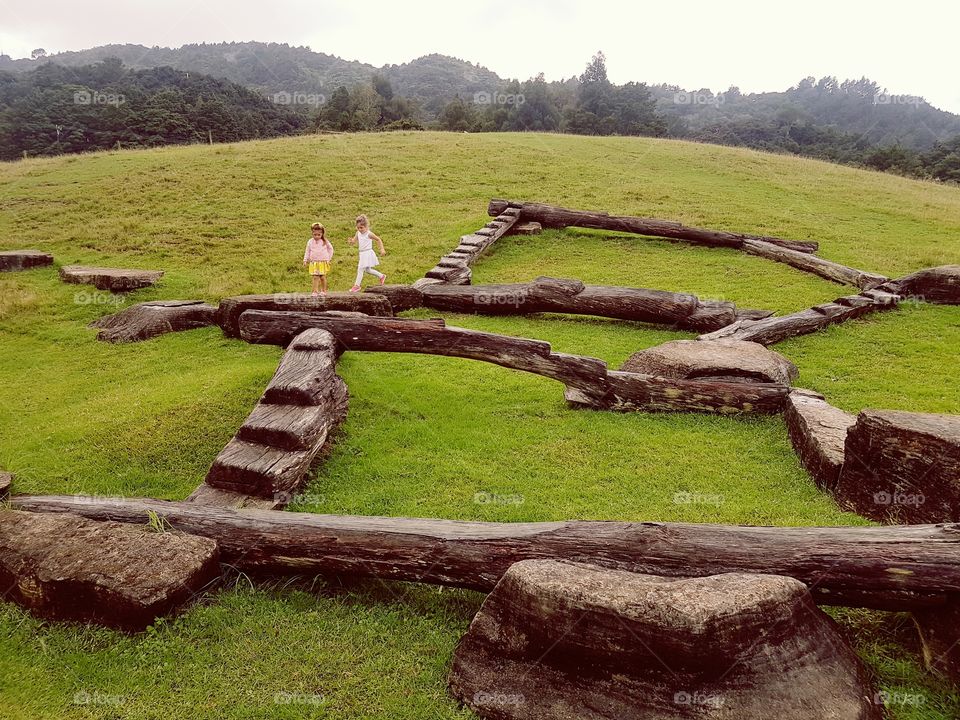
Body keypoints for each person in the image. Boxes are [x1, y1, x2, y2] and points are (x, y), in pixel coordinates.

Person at [348, 214, 386, 292]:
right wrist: (351, 241)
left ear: (366, 226)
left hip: (368, 253)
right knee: (367, 270)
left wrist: (382, 249)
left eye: (361, 228)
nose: (360, 229)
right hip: (362, 253)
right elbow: (354, 241)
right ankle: (381, 276)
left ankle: (357, 285)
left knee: (360, 269)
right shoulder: (358, 233)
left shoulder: (369, 234)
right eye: (358, 228)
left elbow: (378, 239)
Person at [303, 222, 334, 297]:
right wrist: (305, 259)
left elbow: (331, 249)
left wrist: (328, 259)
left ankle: (323, 290)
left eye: (319, 235)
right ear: (312, 233)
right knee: (315, 277)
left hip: (323, 262)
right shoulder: (310, 242)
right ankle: (315, 291)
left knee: (322, 277)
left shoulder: (324, 241)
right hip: (314, 262)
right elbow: (307, 251)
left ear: (322, 234)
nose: (316, 236)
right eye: (315, 234)